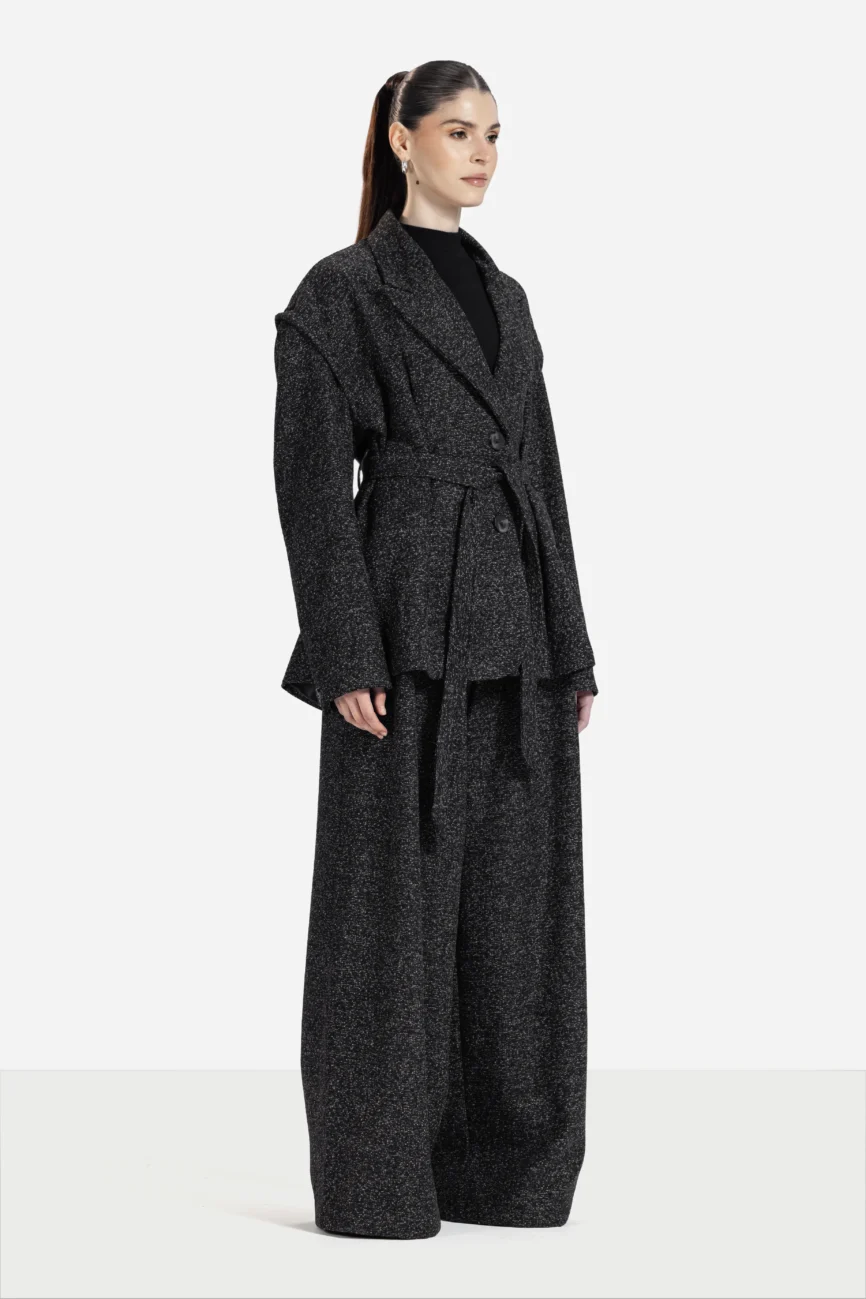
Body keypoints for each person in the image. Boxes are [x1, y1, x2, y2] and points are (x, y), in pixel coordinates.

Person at [273, 60, 598, 1239]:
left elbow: (540, 475)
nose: (481, 155)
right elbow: (312, 492)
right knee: (386, 909)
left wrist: (571, 650)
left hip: (516, 630)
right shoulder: (341, 292)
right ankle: (377, 1181)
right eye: (458, 132)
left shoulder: (506, 296)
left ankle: (506, 1173)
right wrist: (347, 651)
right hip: (402, 630)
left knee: (517, 914)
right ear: (401, 141)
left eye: (494, 135)